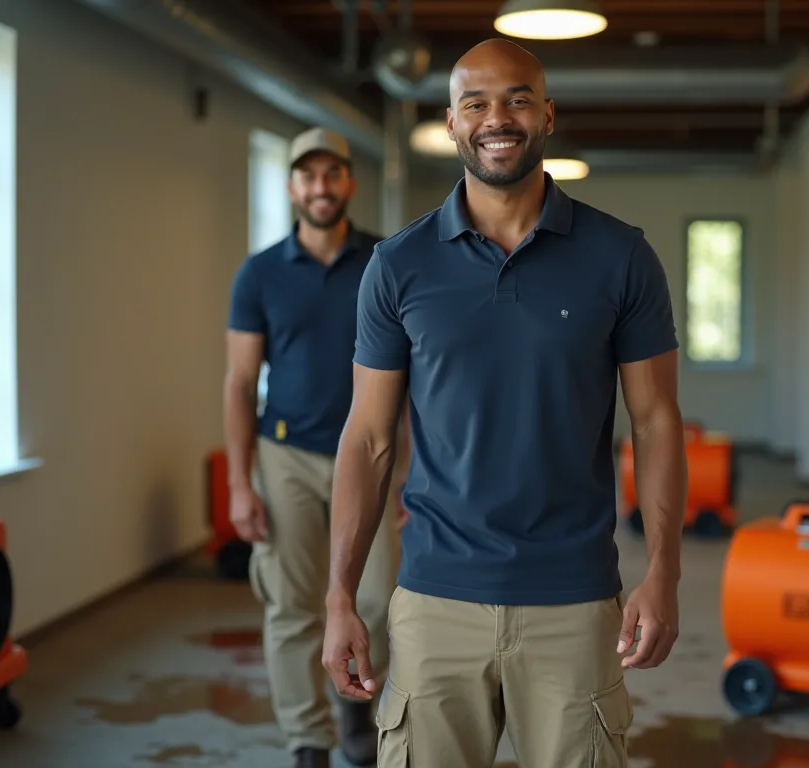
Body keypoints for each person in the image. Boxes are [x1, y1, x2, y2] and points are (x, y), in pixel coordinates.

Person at [322, 38, 688, 768]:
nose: (499, 117)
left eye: (518, 98)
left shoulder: (621, 257)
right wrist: (339, 597)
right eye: (476, 103)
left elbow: (655, 423)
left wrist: (663, 572)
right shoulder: (399, 264)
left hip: (576, 602)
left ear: (547, 114)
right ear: (452, 123)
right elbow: (368, 438)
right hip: (433, 598)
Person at [224, 126, 402, 768]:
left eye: (332, 174)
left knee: (379, 596)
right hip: (288, 454)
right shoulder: (261, 273)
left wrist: (415, 472)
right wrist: (241, 483)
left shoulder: (387, 259)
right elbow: (242, 382)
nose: (320, 187)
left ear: (351, 182)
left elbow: (421, 372)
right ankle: (307, 738)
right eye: (307, 175)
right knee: (293, 603)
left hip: (375, 455)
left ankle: (356, 702)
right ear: (293, 185)